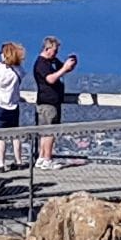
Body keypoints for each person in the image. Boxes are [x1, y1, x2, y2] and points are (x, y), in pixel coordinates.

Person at [31, 36, 78, 165]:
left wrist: (70, 65)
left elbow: (63, 69)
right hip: (47, 102)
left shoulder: (53, 61)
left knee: (46, 131)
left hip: (54, 101)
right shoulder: (41, 63)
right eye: (54, 51)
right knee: (49, 131)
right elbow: (50, 79)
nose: (56, 54)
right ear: (47, 49)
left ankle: (41, 157)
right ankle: (47, 159)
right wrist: (63, 70)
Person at [0, 41, 27, 176]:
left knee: (0, 136)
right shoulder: (20, 71)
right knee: (15, 134)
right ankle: (18, 160)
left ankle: (1, 163)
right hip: (13, 105)